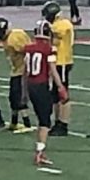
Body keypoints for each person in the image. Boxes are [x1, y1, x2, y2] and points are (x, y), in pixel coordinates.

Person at [18, 24, 60, 166]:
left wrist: (24, 92)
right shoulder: (48, 50)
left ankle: (40, 150)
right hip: (41, 86)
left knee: (42, 119)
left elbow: (25, 72)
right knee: (45, 121)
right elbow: (53, 70)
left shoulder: (29, 49)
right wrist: (60, 87)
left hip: (30, 85)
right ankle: (39, 153)